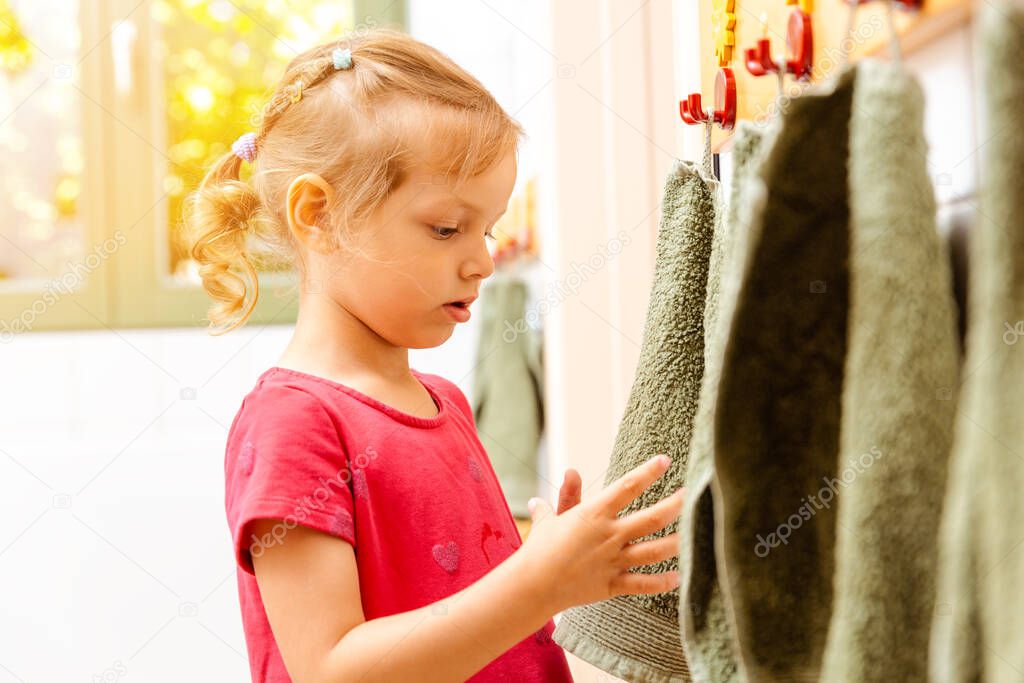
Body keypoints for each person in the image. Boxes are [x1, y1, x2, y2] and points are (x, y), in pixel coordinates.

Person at [185, 28, 685, 683]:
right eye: (447, 228)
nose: (481, 260)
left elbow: (458, 610)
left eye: (488, 228)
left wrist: (556, 566)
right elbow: (332, 669)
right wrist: (535, 584)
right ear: (319, 216)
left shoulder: (443, 401)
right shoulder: (294, 422)